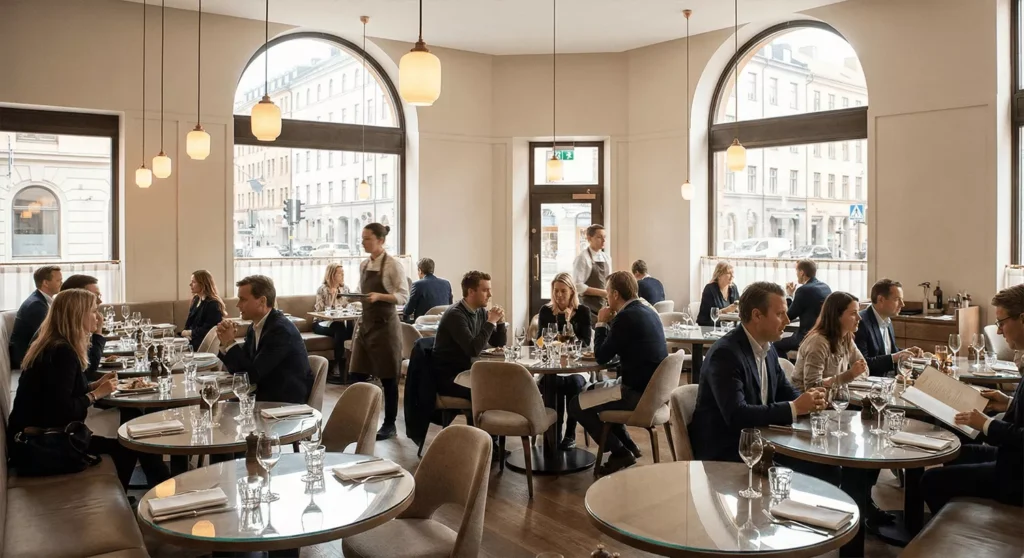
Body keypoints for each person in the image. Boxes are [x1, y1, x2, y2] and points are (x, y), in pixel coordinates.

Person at [6, 288, 168, 489]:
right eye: (93, 311)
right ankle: (147, 492)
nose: (98, 317)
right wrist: (96, 394)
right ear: (77, 315)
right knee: (131, 439)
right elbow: (61, 410)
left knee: (133, 422)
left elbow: (62, 392)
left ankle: (160, 488)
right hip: (42, 442)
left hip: (41, 434)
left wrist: (95, 385)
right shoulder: (61, 352)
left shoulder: (55, 344)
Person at [690, 282, 826, 462]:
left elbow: (785, 390)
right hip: (728, 451)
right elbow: (737, 415)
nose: (787, 320)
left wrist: (809, 401)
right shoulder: (726, 354)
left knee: (824, 461)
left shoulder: (767, 348)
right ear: (757, 315)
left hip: (761, 441)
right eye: (779, 314)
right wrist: (795, 408)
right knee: (820, 466)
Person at [920, 285, 1024, 513]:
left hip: (1017, 476)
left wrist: (985, 423)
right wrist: (1007, 402)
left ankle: (951, 535)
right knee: (958, 451)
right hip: (1014, 458)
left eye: (1002, 323)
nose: (999, 331)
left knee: (931, 481)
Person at [568, 271, 667, 475]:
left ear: (614, 294)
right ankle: (629, 446)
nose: (606, 296)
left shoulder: (626, 317)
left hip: (635, 394)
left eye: (607, 292)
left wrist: (602, 322)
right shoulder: (647, 310)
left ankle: (620, 451)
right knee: (594, 389)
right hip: (653, 393)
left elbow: (602, 356)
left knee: (576, 404)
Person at [349, 223, 408, 441]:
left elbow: (403, 297)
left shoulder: (393, 265)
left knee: (388, 377)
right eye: (362, 238)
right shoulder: (364, 265)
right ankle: (360, 418)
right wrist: (356, 298)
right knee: (356, 374)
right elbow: (363, 291)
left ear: (380, 241)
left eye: (367, 239)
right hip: (365, 325)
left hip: (386, 327)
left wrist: (379, 297)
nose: (363, 242)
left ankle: (389, 423)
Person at [216, 275, 312, 404]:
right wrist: (225, 343)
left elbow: (251, 376)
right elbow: (242, 369)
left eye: (243, 300)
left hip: (282, 403)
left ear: (262, 301)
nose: (238, 305)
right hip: (261, 393)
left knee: (217, 411)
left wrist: (230, 343)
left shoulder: (280, 330)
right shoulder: (255, 326)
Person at [432, 271, 506, 401]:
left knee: (504, 385)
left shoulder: (480, 311)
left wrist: (500, 323)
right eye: (485, 290)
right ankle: (482, 421)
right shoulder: (456, 315)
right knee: (494, 391)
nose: (490, 295)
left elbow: (498, 343)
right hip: (451, 377)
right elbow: (473, 350)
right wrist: (490, 322)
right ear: (471, 292)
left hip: (469, 372)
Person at [538, 272, 592, 450]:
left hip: (576, 365)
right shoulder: (546, 311)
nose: (559, 295)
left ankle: (570, 434)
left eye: (563, 291)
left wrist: (567, 322)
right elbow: (539, 341)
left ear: (571, 292)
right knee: (551, 383)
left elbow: (584, 343)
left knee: (572, 383)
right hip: (552, 365)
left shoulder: (583, 312)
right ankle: (553, 434)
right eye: (555, 291)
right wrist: (545, 341)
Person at [791, 291, 869, 392]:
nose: (859, 317)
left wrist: (848, 381)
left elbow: (864, 369)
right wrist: (849, 376)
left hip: (834, 400)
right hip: (807, 403)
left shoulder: (846, 338)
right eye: (853, 313)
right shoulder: (818, 342)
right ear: (837, 316)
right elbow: (812, 387)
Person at [854, 278, 923, 377]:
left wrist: (906, 352)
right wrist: (895, 357)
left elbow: (889, 352)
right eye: (897, 299)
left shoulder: (887, 319)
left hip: (889, 379)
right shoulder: (861, 322)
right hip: (873, 383)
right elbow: (862, 363)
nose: (902, 304)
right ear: (880, 299)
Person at [773, 259, 831, 355]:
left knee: (775, 345)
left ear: (802, 273)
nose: (796, 274)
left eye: (796, 271)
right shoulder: (825, 287)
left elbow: (788, 316)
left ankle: (783, 369)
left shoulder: (804, 290)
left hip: (806, 337)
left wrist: (789, 296)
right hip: (825, 335)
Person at [9, 265, 62, 369]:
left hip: (32, 354)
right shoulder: (36, 305)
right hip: (25, 359)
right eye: (58, 280)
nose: (61, 283)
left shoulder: (41, 300)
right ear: (45, 283)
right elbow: (48, 336)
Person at [58, 274, 107, 379]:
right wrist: (98, 332)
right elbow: (88, 369)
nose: (100, 301)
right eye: (95, 296)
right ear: (77, 299)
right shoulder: (62, 346)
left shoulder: (68, 327)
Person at [312, 263, 354, 380]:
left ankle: (351, 368)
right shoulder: (322, 289)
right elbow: (320, 311)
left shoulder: (345, 289)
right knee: (340, 329)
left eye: (343, 272)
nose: (342, 275)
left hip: (340, 322)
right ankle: (338, 365)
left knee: (352, 328)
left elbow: (348, 306)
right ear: (331, 275)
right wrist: (331, 297)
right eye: (339, 273)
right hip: (320, 323)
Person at [181, 270, 227, 351]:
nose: (190, 284)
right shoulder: (196, 299)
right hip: (191, 340)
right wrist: (185, 333)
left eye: (193, 282)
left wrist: (189, 333)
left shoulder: (213, 304)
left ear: (203, 284)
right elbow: (189, 322)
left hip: (202, 344)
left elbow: (209, 330)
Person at [572, 224, 611, 320]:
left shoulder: (606, 258)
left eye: (604, 237)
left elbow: (609, 280)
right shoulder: (582, 258)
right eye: (599, 237)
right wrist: (603, 293)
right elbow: (577, 286)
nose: (604, 240)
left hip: (603, 306)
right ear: (589, 238)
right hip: (587, 307)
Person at [403, 258, 453, 323]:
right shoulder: (446, 283)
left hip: (423, 324)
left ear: (420, 270)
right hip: (442, 323)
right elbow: (450, 305)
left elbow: (408, 310)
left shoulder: (417, 285)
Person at [697, 261, 739, 326]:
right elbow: (706, 318)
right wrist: (726, 310)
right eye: (729, 273)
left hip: (730, 328)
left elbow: (737, 308)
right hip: (711, 328)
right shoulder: (710, 289)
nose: (732, 276)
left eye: (733, 273)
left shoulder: (733, 288)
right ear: (719, 275)